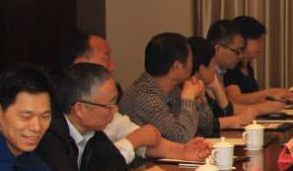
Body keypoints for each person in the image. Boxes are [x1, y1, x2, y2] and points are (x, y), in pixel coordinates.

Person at [66, 30, 209, 162]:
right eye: (106, 57)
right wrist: (134, 141)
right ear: (81, 65)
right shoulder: (143, 95)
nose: (113, 66)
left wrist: (183, 151)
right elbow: (98, 167)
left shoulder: (175, 91)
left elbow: (141, 136)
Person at [38, 63, 174, 171]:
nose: (115, 110)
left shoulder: (94, 134)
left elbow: (116, 169)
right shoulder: (48, 134)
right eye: (109, 105)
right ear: (80, 109)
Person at [119, 32, 207, 143]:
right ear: (177, 67)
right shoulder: (144, 97)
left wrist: (197, 99)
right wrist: (189, 98)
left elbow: (206, 128)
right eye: (191, 61)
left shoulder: (173, 90)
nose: (192, 65)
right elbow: (181, 138)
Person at [189, 36, 259, 134]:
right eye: (213, 64)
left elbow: (223, 112)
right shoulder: (187, 89)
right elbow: (204, 125)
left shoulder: (201, 86)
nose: (214, 69)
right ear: (201, 68)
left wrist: (216, 87)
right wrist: (238, 119)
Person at [224, 16, 293, 106]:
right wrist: (267, 93)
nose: (261, 46)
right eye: (258, 41)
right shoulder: (230, 67)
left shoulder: (248, 67)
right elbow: (235, 100)